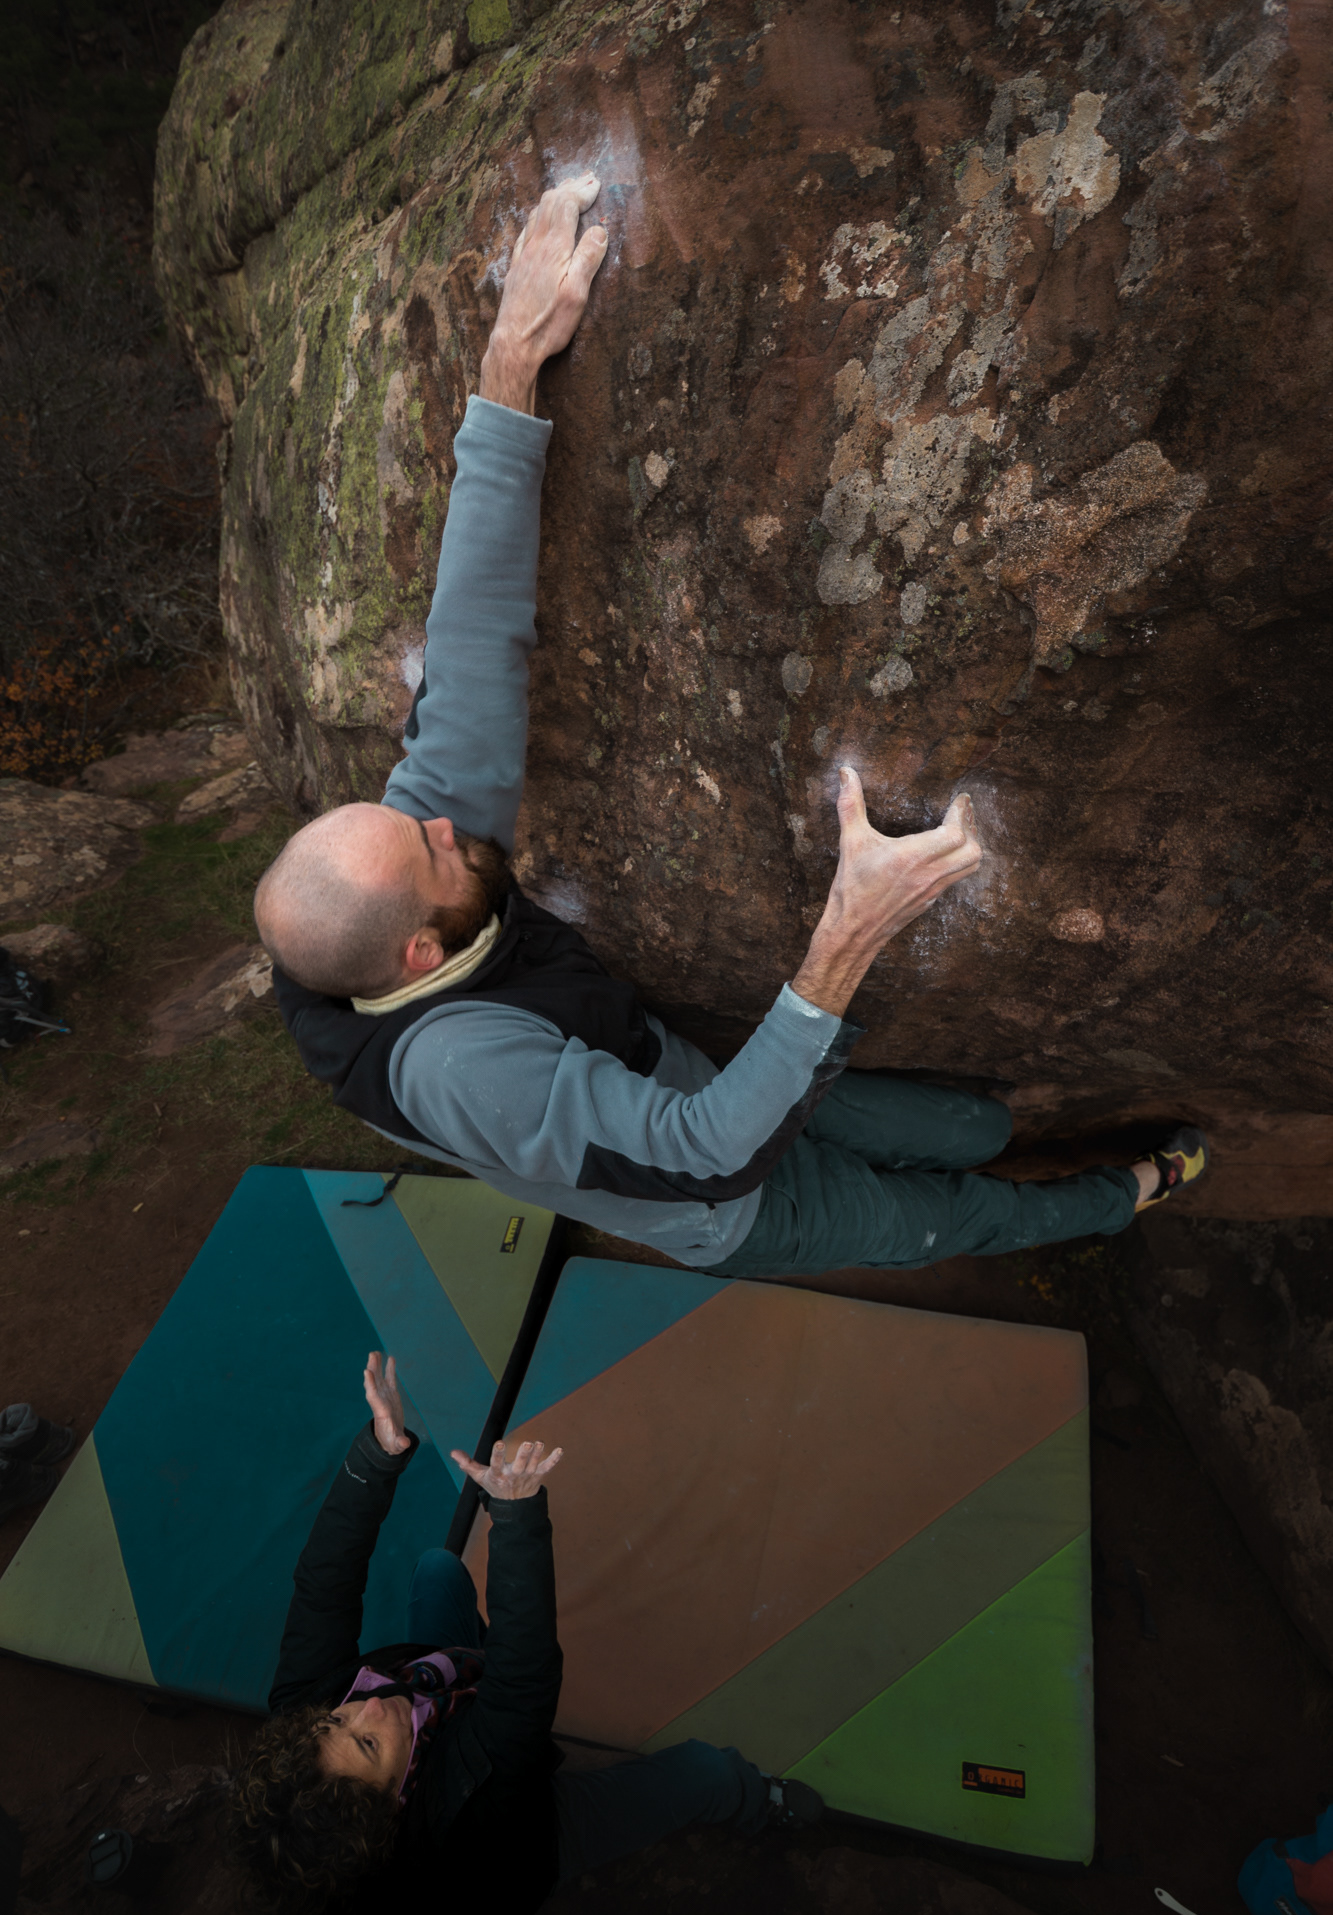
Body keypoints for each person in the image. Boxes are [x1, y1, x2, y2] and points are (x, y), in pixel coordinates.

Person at [255, 172, 1208, 1281]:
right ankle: (1123, 1196)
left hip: (687, 1078)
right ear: (420, 954)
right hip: (723, 1202)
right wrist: (848, 929)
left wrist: (508, 368)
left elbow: (470, 651)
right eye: (429, 846)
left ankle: (1035, 1153)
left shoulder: (390, 908)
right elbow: (706, 1156)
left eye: (410, 819)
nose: (438, 820)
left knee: (969, 1128)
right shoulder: (461, 1070)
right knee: (946, 1217)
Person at [228, 1352, 821, 1915]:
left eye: (337, 1721)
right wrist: (514, 1518)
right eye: (368, 1744)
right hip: (525, 1845)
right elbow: (524, 1680)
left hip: (450, 1706)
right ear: (397, 1801)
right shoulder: (472, 1808)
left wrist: (375, 1458)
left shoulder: (305, 1722)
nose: (368, 1706)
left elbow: (324, 1586)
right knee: (705, 1772)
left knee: (438, 1571)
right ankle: (759, 1801)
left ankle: (448, 1688)